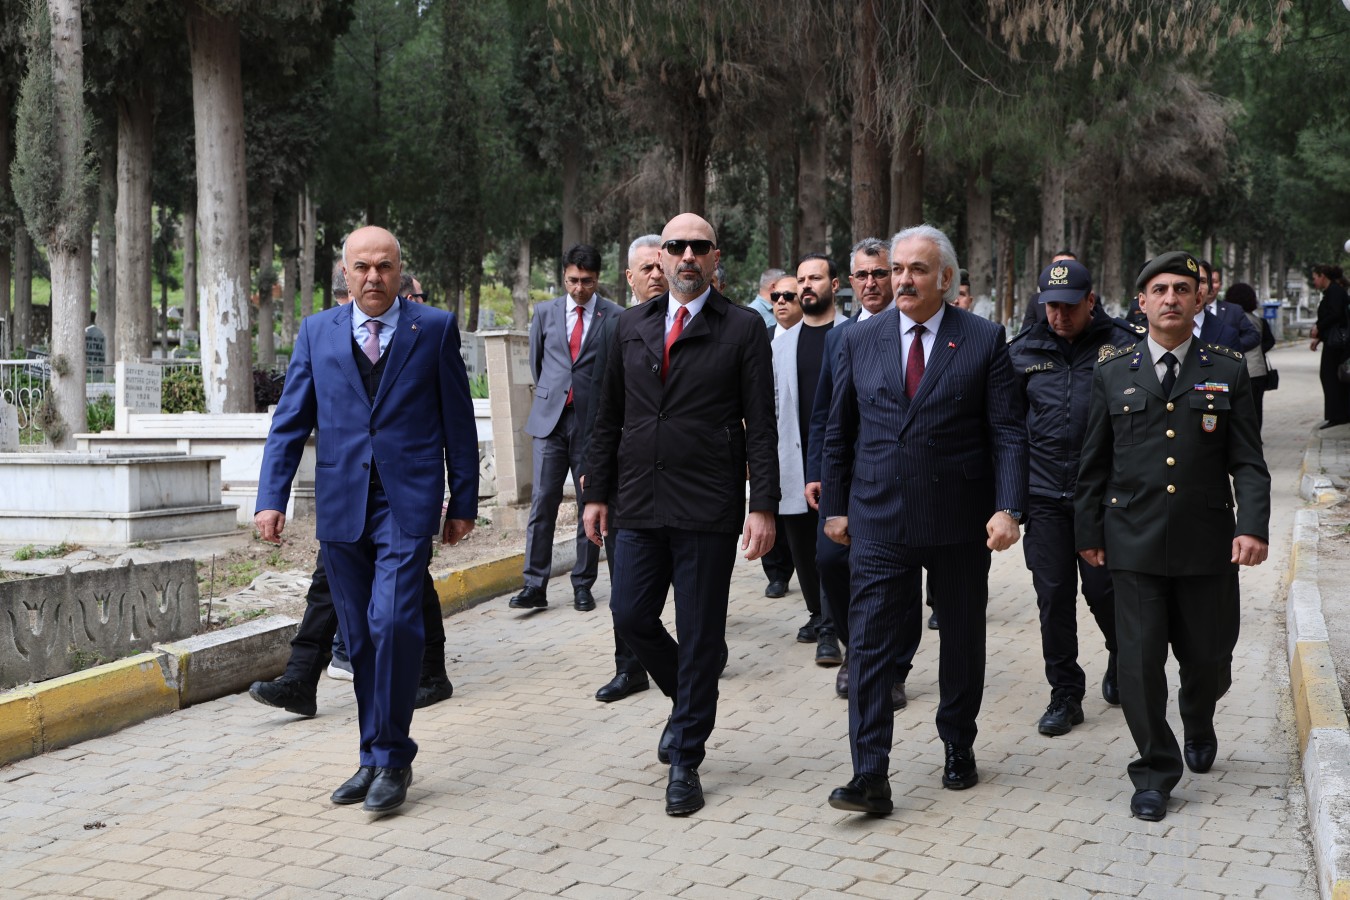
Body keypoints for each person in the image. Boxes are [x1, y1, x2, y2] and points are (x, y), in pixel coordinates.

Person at [255, 225, 478, 816]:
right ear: (345, 273)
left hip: (407, 501)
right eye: (362, 267)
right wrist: (271, 497)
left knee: (394, 621)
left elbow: (458, 422)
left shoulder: (433, 329)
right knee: (358, 636)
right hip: (342, 502)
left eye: (384, 266)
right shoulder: (316, 332)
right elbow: (289, 423)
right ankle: (371, 755)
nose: (374, 276)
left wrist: (463, 502)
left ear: (400, 272)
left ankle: (394, 757)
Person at [821, 224, 1027, 815]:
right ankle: (869, 774)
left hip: (959, 518)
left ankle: (958, 743)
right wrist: (835, 506)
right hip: (878, 515)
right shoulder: (860, 339)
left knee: (961, 638)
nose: (903, 279)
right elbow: (839, 430)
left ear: (946, 278)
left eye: (917, 269)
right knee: (869, 644)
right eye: (897, 269)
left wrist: (1009, 507)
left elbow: (1007, 432)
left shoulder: (983, 338)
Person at [582, 212, 779, 817]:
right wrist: (596, 492)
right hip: (637, 499)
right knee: (630, 614)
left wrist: (763, 505)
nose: (687, 255)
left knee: (699, 634)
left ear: (715, 257)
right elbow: (607, 415)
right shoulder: (627, 327)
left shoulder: (743, 328)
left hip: (706, 504)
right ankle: (690, 699)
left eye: (699, 246)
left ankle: (686, 759)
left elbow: (761, 426)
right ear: (661, 258)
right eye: (676, 246)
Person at [1075, 250, 1270, 823]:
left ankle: (1198, 717)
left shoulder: (1227, 368)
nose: (1170, 298)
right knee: (1138, 665)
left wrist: (1252, 526)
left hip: (1206, 542)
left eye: (1182, 289)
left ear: (1198, 298)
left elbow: (1248, 460)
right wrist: (1088, 531)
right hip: (1132, 539)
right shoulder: (1113, 369)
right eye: (1159, 289)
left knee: (1208, 658)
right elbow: (1093, 462)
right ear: (1141, 302)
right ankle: (1155, 771)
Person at [1007, 260, 1140, 737]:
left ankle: (1121, 654)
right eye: (1051, 307)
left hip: (1102, 498)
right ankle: (1065, 692)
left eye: (1068, 306)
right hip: (1044, 496)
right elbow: (1009, 430)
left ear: (1091, 301)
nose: (1059, 316)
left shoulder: (1124, 345)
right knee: (1054, 596)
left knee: (1103, 591)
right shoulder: (1023, 350)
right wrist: (1010, 501)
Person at [804, 237, 918, 708]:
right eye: (863, 275)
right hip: (845, 474)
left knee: (901, 576)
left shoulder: (913, 330)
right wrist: (816, 471)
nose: (871, 283)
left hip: (899, 476)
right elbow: (824, 412)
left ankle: (894, 669)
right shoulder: (840, 336)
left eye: (879, 273)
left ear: (894, 275)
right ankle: (858, 650)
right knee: (831, 561)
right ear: (850, 282)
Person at [508, 245, 624, 613]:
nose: (579, 288)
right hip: (550, 421)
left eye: (586, 281)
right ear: (563, 276)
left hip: (593, 425)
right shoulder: (545, 312)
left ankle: (583, 584)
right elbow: (538, 362)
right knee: (543, 500)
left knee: (590, 502)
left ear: (597, 279)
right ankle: (534, 584)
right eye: (572, 280)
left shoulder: (615, 316)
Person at [585, 235, 667, 704]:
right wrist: (594, 475)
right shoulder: (615, 328)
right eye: (646, 269)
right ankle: (630, 667)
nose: (656, 274)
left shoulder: (702, 322)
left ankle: (700, 655)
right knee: (626, 582)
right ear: (630, 278)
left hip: (685, 478)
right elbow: (600, 407)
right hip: (626, 479)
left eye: (660, 266)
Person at [772, 253, 842, 666]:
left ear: (834, 285)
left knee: (831, 550)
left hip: (839, 462)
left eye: (815, 278)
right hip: (793, 462)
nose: (806, 286)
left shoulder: (852, 333)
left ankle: (831, 630)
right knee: (802, 548)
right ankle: (818, 614)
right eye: (801, 279)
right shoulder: (781, 345)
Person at [1225, 282, 1272, 428]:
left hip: (1243, 371)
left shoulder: (1236, 319)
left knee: (1241, 412)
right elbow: (1269, 341)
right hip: (1258, 370)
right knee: (1256, 410)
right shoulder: (1257, 319)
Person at [1311, 264, 1350, 429]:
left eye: (1315, 278)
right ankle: (1338, 414)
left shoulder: (1335, 292)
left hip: (1337, 344)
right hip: (1333, 341)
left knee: (1331, 377)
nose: (1314, 281)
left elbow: (1335, 315)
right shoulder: (1331, 292)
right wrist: (1319, 337)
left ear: (1322, 276)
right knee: (1331, 376)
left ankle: (1338, 415)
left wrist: (1318, 327)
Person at [1196, 260, 1259, 352]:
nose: (1211, 286)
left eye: (1214, 282)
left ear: (1220, 285)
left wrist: (1230, 347)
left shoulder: (1234, 310)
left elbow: (1253, 336)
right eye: (1200, 281)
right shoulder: (1187, 311)